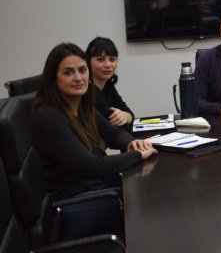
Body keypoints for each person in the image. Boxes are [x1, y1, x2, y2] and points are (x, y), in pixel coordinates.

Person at [31, 43, 157, 235]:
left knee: (152, 186)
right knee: (146, 202)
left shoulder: (80, 104)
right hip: (74, 204)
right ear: (52, 78)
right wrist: (137, 155)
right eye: (68, 72)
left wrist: (130, 143)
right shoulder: (49, 117)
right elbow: (93, 166)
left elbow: (113, 133)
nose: (78, 77)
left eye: (82, 70)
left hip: (94, 188)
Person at [85, 36, 135, 130]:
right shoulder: (87, 89)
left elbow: (128, 112)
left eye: (112, 59)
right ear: (88, 61)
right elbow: (113, 125)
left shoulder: (108, 85)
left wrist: (125, 116)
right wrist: (125, 118)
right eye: (100, 59)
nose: (108, 65)